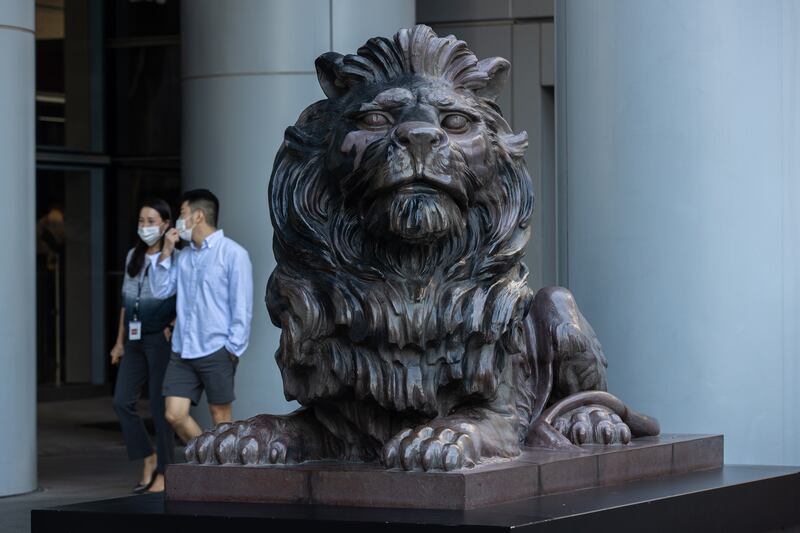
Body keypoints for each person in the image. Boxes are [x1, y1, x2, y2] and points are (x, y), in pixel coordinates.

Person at [149, 189, 253, 445]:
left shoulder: (233, 253)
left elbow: (242, 306)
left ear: (197, 216)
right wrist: (167, 250)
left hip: (217, 348)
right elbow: (160, 290)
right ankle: (206, 454)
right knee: (174, 414)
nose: (178, 222)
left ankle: (226, 476)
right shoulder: (183, 257)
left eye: (181, 214)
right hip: (182, 350)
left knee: (221, 417)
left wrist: (231, 349)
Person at [111, 198, 177, 494]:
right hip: (134, 338)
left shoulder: (175, 257)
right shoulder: (132, 257)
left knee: (160, 405)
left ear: (166, 224)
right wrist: (118, 342)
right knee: (122, 401)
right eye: (141, 221)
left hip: (158, 339)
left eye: (151, 221)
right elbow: (126, 303)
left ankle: (164, 469)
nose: (145, 227)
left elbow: (184, 295)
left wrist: (172, 324)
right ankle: (147, 456)